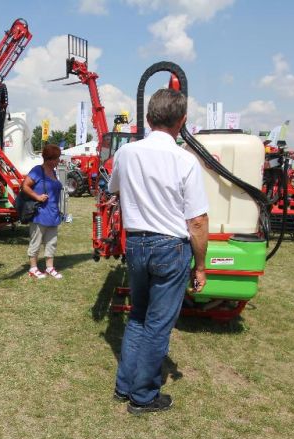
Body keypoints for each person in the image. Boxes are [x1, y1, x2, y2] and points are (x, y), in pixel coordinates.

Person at [108, 88, 209, 414]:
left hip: (136, 244)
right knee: (158, 325)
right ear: (182, 122)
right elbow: (197, 221)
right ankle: (143, 395)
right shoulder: (186, 161)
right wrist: (201, 266)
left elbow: (114, 189)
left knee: (137, 316)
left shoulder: (126, 153)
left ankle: (125, 386)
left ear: (149, 118)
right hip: (170, 247)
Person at [22, 143, 64, 279]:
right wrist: (37, 197)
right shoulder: (37, 170)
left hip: (53, 214)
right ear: (50, 159)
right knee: (36, 241)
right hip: (40, 214)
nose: (59, 160)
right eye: (57, 158)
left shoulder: (53, 172)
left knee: (51, 242)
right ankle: (33, 268)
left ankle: (50, 267)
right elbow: (25, 186)